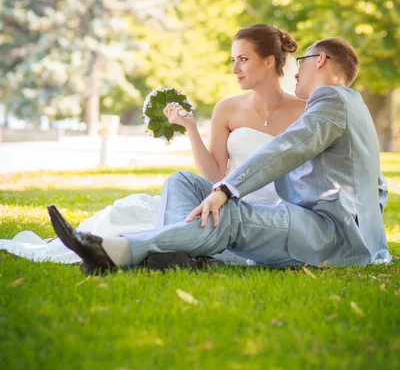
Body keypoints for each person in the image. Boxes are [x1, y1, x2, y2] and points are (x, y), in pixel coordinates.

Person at [48, 36, 392, 274]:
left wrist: (226, 189)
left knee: (227, 214)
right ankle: (188, 254)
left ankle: (113, 250)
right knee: (184, 182)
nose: (296, 71)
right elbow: (378, 187)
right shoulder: (349, 107)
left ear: (321, 60)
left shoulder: (331, 98)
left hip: (325, 233)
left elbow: (289, 148)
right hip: (305, 220)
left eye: (301, 63)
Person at [0, 24, 305, 265]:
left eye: (243, 59)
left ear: (268, 61)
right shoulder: (227, 109)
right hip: (225, 202)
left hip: (272, 216)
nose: (234, 68)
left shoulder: (304, 111)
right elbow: (214, 179)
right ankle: (180, 249)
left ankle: (171, 250)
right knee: (144, 203)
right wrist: (189, 128)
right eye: (232, 60)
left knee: (146, 222)